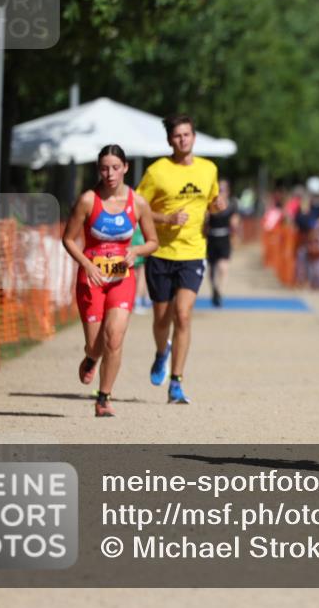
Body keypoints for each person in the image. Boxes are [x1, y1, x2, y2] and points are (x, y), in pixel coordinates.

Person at [62, 145, 158, 417]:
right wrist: (86, 264)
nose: (110, 174)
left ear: (125, 167)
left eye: (116, 167)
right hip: (92, 278)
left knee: (114, 338)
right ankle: (91, 357)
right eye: (104, 168)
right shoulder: (88, 200)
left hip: (121, 278)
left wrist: (135, 252)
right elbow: (68, 239)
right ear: (98, 170)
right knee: (96, 345)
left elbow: (153, 242)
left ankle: (103, 398)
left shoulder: (137, 203)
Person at [136, 114, 226, 404]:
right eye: (177, 135)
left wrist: (218, 205)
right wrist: (166, 218)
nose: (183, 139)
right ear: (169, 140)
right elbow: (137, 208)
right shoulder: (157, 171)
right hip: (161, 252)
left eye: (187, 134)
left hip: (193, 252)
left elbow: (212, 203)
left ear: (194, 137)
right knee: (162, 318)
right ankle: (161, 352)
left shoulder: (208, 169)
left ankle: (176, 382)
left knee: (183, 314)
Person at [206, 179, 240, 307]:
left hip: (225, 237)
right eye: (219, 189)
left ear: (228, 191)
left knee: (223, 267)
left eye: (224, 190)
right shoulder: (210, 204)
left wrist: (235, 236)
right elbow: (205, 223)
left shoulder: (232, 205)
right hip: (211, 238)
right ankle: (214, 289)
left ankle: (219, 292)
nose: (221, 192)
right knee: (212, 268)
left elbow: (235, 223)